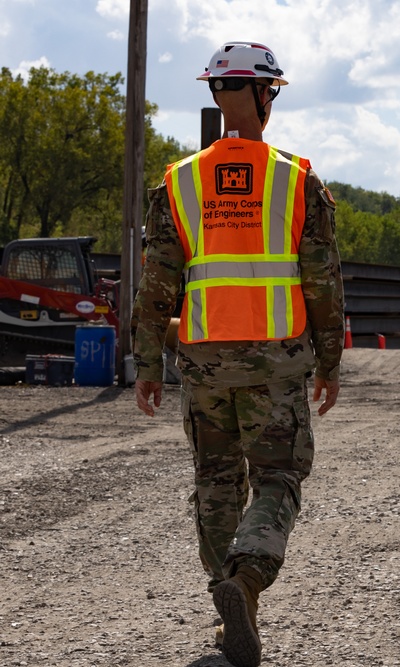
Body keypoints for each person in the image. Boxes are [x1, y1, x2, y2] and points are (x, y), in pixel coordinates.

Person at [131, 41, 344, 667]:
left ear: (218, 96)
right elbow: (323, 282)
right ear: (265, 94)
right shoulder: (297, 178)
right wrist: (330, 360)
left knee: (215, 483)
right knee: (278, 477)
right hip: (276, 364)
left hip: (202, 364)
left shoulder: (179, 182)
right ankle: (246, 580)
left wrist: (147, 364)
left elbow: (155, 287)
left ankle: (231, 611)